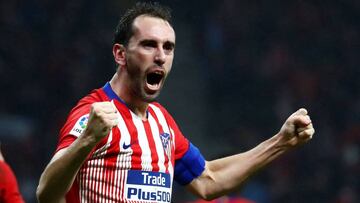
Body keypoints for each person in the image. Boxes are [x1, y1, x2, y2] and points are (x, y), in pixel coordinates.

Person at [36, 2, 315, 203]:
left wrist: (281, 142)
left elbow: (207, 180)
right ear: (120, 54)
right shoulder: (93, 113)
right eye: (149, 45)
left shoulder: (161, 122)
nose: (160, 56)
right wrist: (86, 140)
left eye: (168, 47)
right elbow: (46, 193)